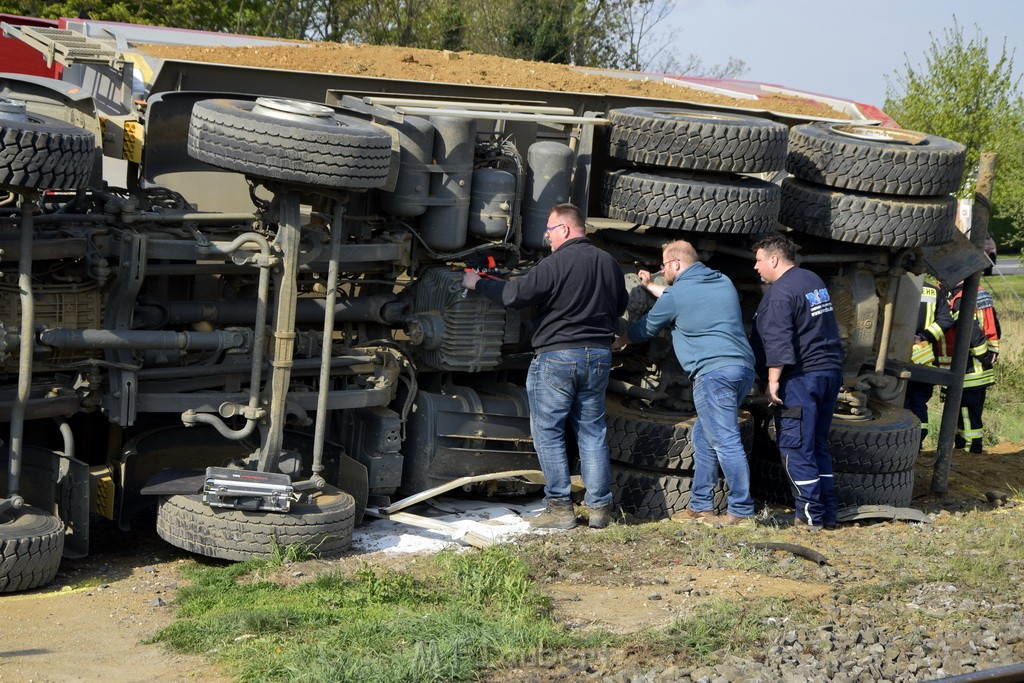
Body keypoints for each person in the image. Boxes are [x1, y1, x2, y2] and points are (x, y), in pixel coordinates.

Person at [463, 203, 628, 529]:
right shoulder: (608, 263)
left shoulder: (555, 263)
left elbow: (515, 294)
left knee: (549, 433)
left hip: (557, 358)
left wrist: (477, 282)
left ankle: (559, 509)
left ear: (565, 230)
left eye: (550, 231)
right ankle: (599, 510)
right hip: (598, 355)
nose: (547, 238)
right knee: (592, 433)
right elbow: (620, 304)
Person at [613, 240, 756, 527]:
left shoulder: (677, 296)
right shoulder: (722, 282)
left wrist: (624, 339)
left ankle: (741, 511)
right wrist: (652, 286)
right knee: (703, 437)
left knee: (725, 440)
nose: (661, 270)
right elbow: (682, 297)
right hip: (742, 370)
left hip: (712, 374)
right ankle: (700, 507)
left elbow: (650, 326)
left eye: (664, 265)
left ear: (676, 265)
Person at [750, 235, 844, 531]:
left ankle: (809, 517)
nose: (756, 266)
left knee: (796, 446)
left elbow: (778, 340)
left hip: (801, 379)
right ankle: (828, 513)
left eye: (759, 259)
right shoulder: (811, 279)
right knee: (817, 444)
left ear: (774, 260)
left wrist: (772, 380)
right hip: (828, 372)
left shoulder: (780, 293)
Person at [943, 282, 1001, 453]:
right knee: (969, 413)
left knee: (966, 413)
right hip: (979, 367)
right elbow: (995, 325)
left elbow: (969, 331)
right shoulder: (980, 293)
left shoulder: (962, 299)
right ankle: (968, 448)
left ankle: (969, 450)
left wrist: (984, 356)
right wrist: (990, 354)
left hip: (969, 369)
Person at [903, 277, 955, 447]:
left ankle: (903, 442)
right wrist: (924, 337)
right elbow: (946, 320)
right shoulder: (934, 292)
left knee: (898, 402)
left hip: (896, 357)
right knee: (918, 402)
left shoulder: (896, 285)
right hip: (924, 358)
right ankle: (918, 442)